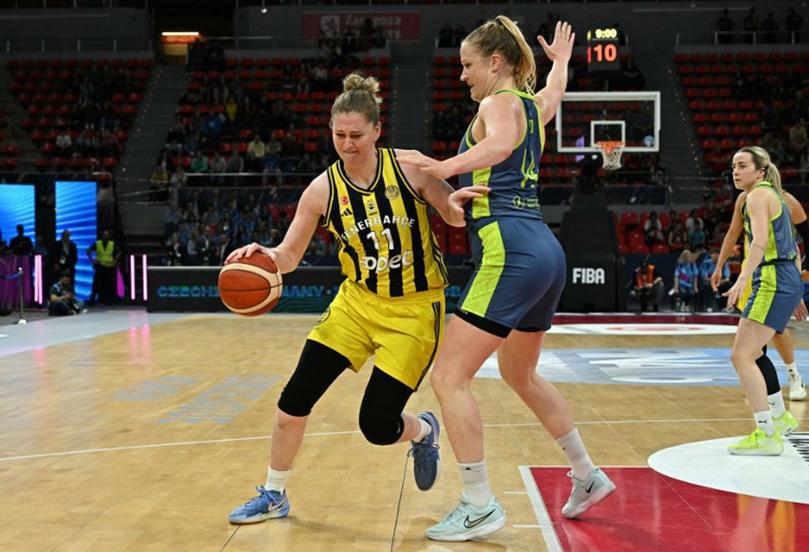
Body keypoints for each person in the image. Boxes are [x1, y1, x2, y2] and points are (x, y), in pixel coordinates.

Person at [225, 73, 487, 525]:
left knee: (376, 426)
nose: (347, 144)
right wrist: (266, 255)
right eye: (339, 135)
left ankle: (424, 430)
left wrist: (458, 205)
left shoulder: (409, 170)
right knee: (294, 397)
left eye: (356, 135)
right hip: (356, 304)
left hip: (414, 311)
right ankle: (274, 494)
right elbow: (289, 255)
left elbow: (451, 211)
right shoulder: (322, 190)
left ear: (377, 130)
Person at [397, 19, 615, 542]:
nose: (463, 76)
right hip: (544, 249)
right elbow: (553, 94)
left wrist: (442, 165)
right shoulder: (532, 106)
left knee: (448, 378)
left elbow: (497, 145)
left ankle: (478, 504)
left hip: (510, 251)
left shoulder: (496, 104)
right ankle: (586, 474)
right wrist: (562, 63)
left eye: (468, 66)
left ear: (495, 63)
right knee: (522, 375)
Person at [716, 146, 804, 455]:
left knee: (743, 356)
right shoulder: (773, 196)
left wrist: (742, 279)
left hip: (772, 279)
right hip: (783, 277)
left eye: (742, 165)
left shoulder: (756, 196)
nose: (735, 171)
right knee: (749, 353)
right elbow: (790, 242)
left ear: (760, 171)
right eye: (733, 166)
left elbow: (761, 242)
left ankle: (766, 434)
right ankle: (778, 418)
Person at [87, 229, 120, 306]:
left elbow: (119, 252)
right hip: (100, 266)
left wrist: (115, 261)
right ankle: (92, 300)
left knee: (109, 284)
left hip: (109, 266)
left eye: (107, 234)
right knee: (96, 284)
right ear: (102, 235)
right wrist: (92, 260)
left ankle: (110, 301)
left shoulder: (112, 244)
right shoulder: (97, 243)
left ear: (109, 236)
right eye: (104, 234)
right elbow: (88, 250)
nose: (105, 236)